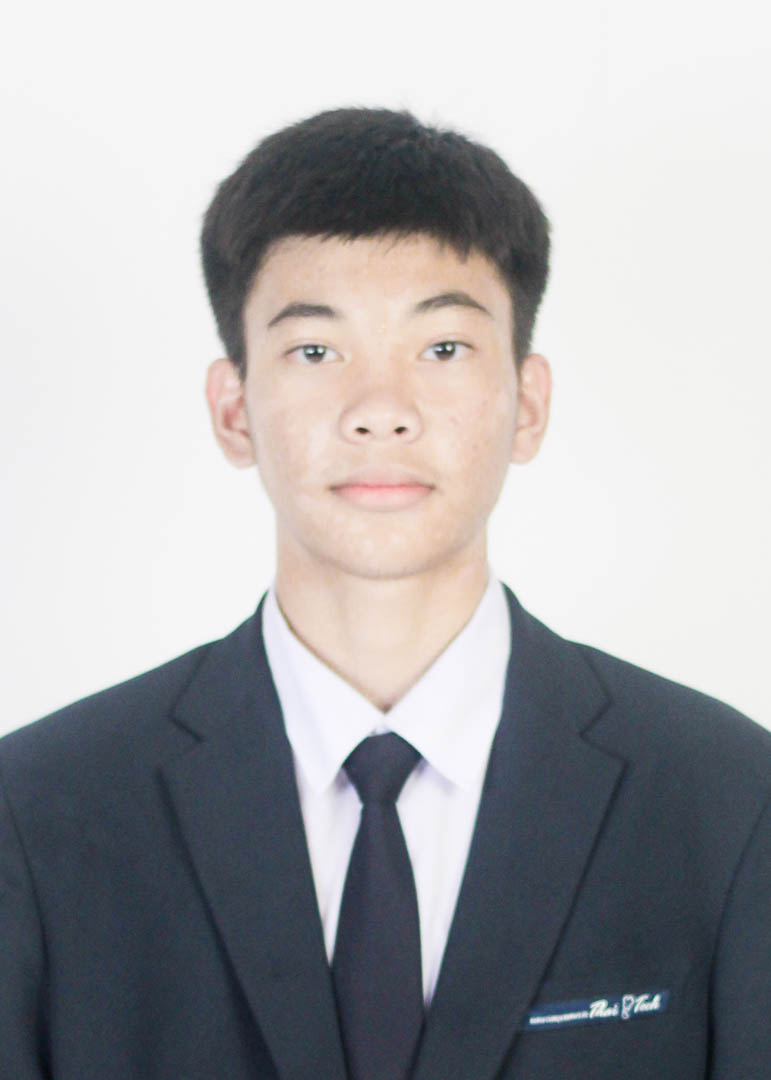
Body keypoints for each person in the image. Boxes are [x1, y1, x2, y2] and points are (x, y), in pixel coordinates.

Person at [1, 107, 769, 1080]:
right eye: (315, 351)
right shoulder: (36, 811)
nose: (379, 412)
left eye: (442, 348)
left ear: (527, 404)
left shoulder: (726, 800)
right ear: (234, 410)